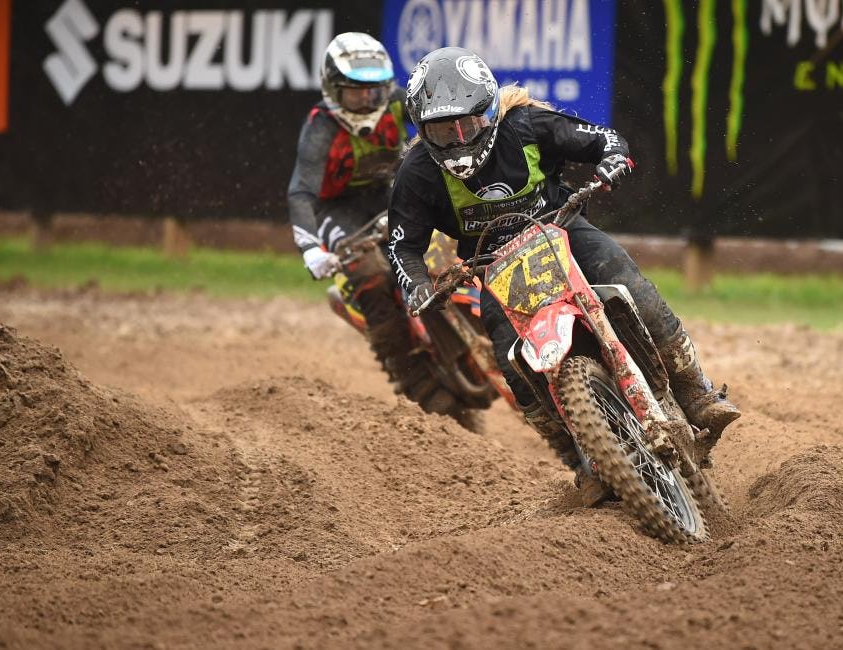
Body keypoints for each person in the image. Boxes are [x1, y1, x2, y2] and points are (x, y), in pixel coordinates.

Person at [386, 47, 740, 491]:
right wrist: (418, 286)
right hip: (494, 266)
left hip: (563, 230)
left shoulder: (526, 126)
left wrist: (612, 160)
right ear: (422, 129)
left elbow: (604, 139)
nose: (457, 141)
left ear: (489, 112)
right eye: (442, 130)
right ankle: (579, 457)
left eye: (467, 125)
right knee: (511, 364)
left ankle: (696, 390)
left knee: (630, 284)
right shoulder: (417, 173)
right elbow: (402, 246)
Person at [286, 32, 414, 386]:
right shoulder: (320, 128)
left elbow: (439, 119)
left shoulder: (398, 102)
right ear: (332, 89)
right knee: (370, 273)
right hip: (336, 208)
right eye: (354, 92)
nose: (366, 100)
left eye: (374, 91)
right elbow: (301, 191)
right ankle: (402, 363)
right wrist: (311, 249)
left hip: (388, 190)